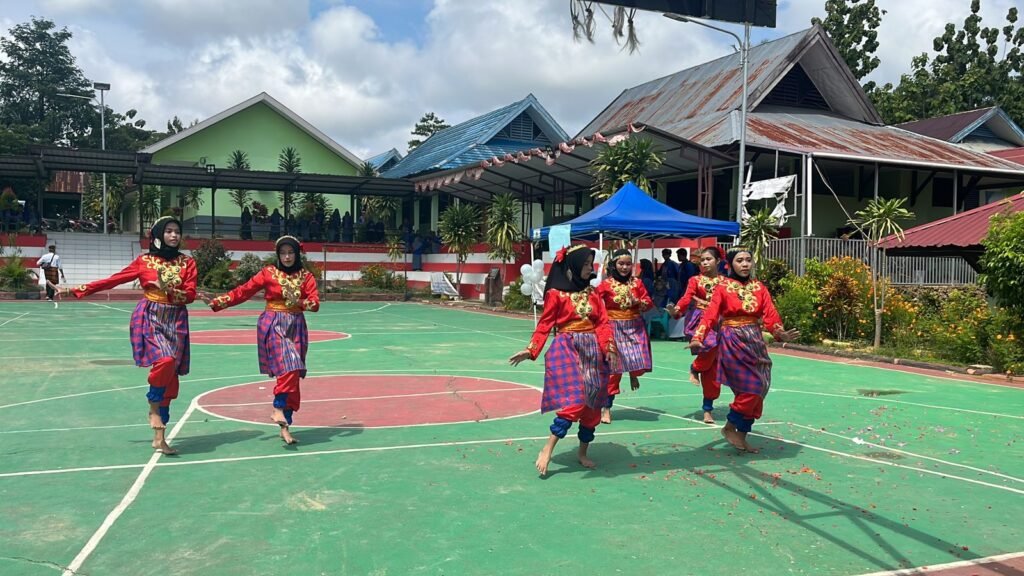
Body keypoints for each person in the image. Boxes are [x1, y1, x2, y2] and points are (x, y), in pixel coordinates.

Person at [63, 216, 196, 455]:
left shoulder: (188, 263)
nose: (174, 236)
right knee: (164, 360)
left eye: (177, 231)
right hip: (151, 317)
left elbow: (190, 294)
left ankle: (159, 437)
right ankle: (153, 406)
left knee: (171, 378)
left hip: (176, 320)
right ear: (157, 235)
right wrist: (75, 290)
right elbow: (113, 280)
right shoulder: (144, 261)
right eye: (169, 231)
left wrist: (171, 290)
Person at [509, 244, 617, 476]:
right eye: (586, 264)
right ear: (574, 266)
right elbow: (545, 324)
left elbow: (602, 323)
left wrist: (608, 347)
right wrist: (531, 349)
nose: (590, 268)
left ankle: (582, 452)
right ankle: (547, 448)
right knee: (574, 402)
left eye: (591, 264)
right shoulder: (556, 294)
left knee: (592, 407)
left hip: (593, 352)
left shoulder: (594, 293)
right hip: (568, 348)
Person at [201, 236, 320, 445]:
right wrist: (218, 301)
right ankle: (277, 408)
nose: (287, 257)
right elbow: (244, 291)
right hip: (273, 323)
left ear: (297, 253)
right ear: (278, 254)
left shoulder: (306, 276)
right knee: (290, 366)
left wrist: (299, 301)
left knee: (293, 376)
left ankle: (285, 425)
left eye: (291, 252)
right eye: (283, 253)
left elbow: (315, 304)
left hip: (297, 326)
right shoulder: (268, 273)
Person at [689, 247, 799, 453]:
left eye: (748, 260)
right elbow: (710, 315)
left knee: (762, 386)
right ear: (731, 264)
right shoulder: (722, 286)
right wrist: (698, 337)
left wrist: (779, 332)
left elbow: (770, 314)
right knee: (752, 387)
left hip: (754, 340)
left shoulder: (759, 287)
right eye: (740, 260)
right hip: (732, 340)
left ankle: (741, 434)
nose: (745, 264)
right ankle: (730, 426)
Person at [666, 247, 724, 423]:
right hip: (701, 322)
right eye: (702, 259)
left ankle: (708, 408)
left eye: (708, 259)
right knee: (709, 347)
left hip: (721, 323)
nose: (704, 262)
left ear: (718, 261)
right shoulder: (695, 280)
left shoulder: (726, 282)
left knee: (713, 369)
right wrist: (676, 309)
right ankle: (695, 367)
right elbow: (686, 297)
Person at [595, 249, 653, 424]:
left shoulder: (638, 283)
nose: (625, 267)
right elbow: (593, 299)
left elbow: (648, 302)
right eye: (621, 263)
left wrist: (638, 302)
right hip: (614, 327)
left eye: (628, 264)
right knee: (613, 370)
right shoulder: (606, 284)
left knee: (639, 358)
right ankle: (606, 407)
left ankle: (632, 373)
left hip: (634, 326)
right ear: (614, 265)